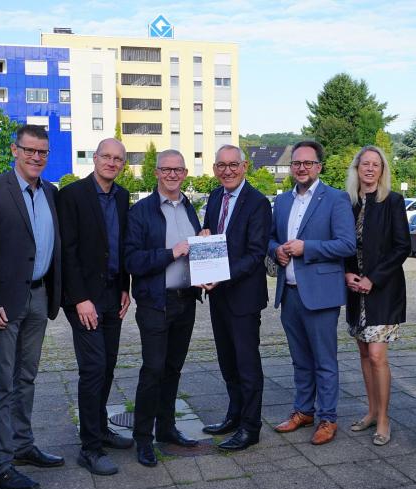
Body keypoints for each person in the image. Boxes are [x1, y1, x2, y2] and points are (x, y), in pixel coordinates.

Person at [0, 124, 64, 489]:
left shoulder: (51, 192)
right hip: (5, 304)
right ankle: (1, 464)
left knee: (27, 378)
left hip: (39, 297)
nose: (36, 157)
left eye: (42, 151)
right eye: (30, 150)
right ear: (15, 150)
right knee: (1, 384)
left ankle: (23, 446)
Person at [268, 140, 356, 445]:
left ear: (319, 166)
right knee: (299, 359)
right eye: (296, 163)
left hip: (320, 294)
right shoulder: (281, 202)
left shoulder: (335, 199)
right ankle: (303, 411)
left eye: (307, 163)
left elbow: (346, 244)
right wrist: (276, 249)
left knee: (324, 360)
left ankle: (327, 418)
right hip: (289, 293)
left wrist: (308, 248)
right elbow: (268, 239)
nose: (301, 168)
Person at [57, 138, 132, 475]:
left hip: (112, 294)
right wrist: (78, 298)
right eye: (106, 156)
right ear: (95, 158)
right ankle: (89, 447)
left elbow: (122, 245)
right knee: (93, 368)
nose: (111, 163)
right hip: (84, 299)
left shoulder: (122, 196)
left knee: (108, 366)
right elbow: (67, 252)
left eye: (118, 159)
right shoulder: (72, 195)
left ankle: (101, 427)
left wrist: (125, 287)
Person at [125, 149, 203, 466]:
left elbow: (196, 253)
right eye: (166, 170)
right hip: (156, 302)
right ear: (156, 173)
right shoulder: (141, 211)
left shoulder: (190, 208)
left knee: (173, 369)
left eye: (178, 170)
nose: (172, 175)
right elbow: (132, 260)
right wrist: (171, 253)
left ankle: (167, 428)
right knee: (153, 370)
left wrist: (204, 271)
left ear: (185, 173)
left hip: (186, 300)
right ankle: (143, 438)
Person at [199, 145, 272, 451]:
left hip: (243, 297)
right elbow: (213, 238)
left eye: (233, 165)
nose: (226, 171)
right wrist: (203, 234)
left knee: (246, 364)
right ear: (215, 168)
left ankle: (250, 427)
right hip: (219, 297)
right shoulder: (215, 196)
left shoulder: (257, 202)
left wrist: (222, 274)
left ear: (244, 167)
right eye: (221, 165)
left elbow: (256, 254)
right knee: (227, 361)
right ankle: (234, 414)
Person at [343, 146, 411, 446]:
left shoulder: (393, 201)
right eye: (365, 164)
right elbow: (342, 243)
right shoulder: (347, 202)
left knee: (377, 355)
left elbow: (402, 247)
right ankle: (371, 412)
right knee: (362, 354)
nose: (370, 169)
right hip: (355, 291)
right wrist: (346, 273)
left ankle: (384, 418)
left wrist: (373, 278)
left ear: (383, 170)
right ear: (357, 168)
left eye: (376, 165)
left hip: (383, 290)